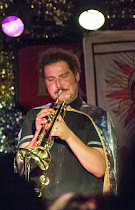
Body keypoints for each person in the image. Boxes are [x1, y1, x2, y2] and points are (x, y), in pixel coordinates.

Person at [17, 48, 118, 200]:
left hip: (81, 207)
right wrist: (38, 134)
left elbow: (99, 169)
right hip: (43, 206)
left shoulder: (95, 116)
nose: (58, 85)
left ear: (77, 75)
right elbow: (21, 167)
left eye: (63, 76)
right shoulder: (35, 115)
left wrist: (68, 135)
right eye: (50, 79)